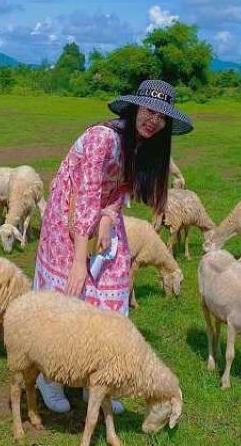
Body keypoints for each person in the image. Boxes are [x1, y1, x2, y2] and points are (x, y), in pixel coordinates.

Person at [34, 78, 194, 413]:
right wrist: (79, 259)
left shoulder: (141, 144)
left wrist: (107, 221)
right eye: (149, 111)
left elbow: (121, 189)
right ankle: (50, 376)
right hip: (69, 215)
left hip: (104, 214)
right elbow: (87, 193)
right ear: (136, 107)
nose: (154, 120)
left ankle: (96, 379)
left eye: (161, 117)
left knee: (112, 289)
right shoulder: (102, 137)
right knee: (68, 291)